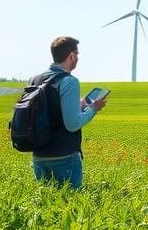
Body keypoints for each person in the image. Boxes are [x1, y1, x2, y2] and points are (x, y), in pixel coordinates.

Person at [31, 36, 107, 189]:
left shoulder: (36, 79)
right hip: (63, 156)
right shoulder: (69, 81)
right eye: (77, 54)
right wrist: (93, 109)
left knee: (46, 207)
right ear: (71, 55)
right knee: (69, 206)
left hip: (38, 155)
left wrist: (80, 105)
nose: (77, 58)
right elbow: (72, 124)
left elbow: (50, 113)